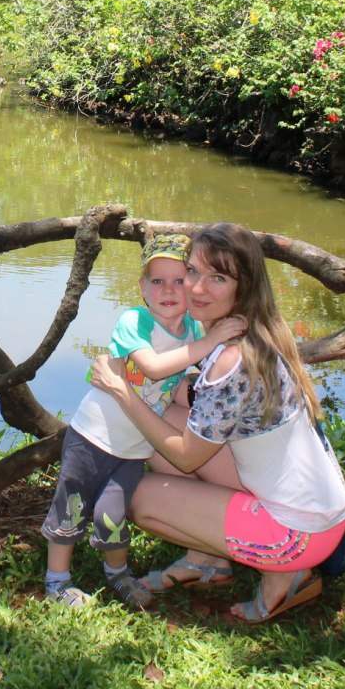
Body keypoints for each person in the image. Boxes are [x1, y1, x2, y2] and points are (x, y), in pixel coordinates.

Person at [89, 222, 345, 624]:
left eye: (217, 278)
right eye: (192, 271)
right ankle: (206, 560)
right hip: (319, 508)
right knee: (164, 422)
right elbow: (199, 406)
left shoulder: (230, 359)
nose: (195, 288)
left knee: (139, 496)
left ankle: (286, 576)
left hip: (298, 534)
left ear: (241, 287)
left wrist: (121, 390)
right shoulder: (255, 331)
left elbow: (188, 458)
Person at [41, 233, 245, 607]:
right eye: (157, 281)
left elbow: (186, 377)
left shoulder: (194, 329)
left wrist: (216, 343)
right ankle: (57, 581)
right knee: (71, 506)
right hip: (94, 436)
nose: (168, 290)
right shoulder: (135, 320)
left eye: (179, 281)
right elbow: (151, 368)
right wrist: (211, 340)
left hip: (134, 448)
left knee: (112, 514)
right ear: (142, 288)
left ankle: (117, 574)